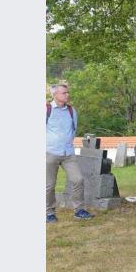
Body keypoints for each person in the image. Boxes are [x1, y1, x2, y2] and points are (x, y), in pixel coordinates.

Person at [46, 84, 94, 222]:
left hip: (68, 154)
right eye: (64, 93)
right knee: (49, 185)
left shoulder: (71, 111)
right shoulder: (46, 109)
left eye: (67, 93)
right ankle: (49, 213)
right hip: (50, 153)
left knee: (78, 179)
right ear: (55, 95)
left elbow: (73, 129)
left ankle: (79, 211)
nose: (67, 95)